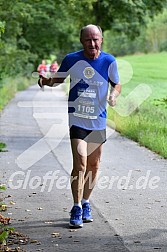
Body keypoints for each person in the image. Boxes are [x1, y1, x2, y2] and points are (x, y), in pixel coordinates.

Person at [38, 24, 121, 228]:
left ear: (101, 40)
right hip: (77, 118)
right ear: (81, 40)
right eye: (88, 40)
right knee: (81, 163)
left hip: (98, 120)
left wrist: (113, 95)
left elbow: (116, 84)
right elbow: (57, 80)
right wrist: (46, 81)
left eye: (96, 39)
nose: (92, 43)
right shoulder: (72, 59)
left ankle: (86, 203)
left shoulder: (109, 61)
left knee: (94, 165)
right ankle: (76, 207)